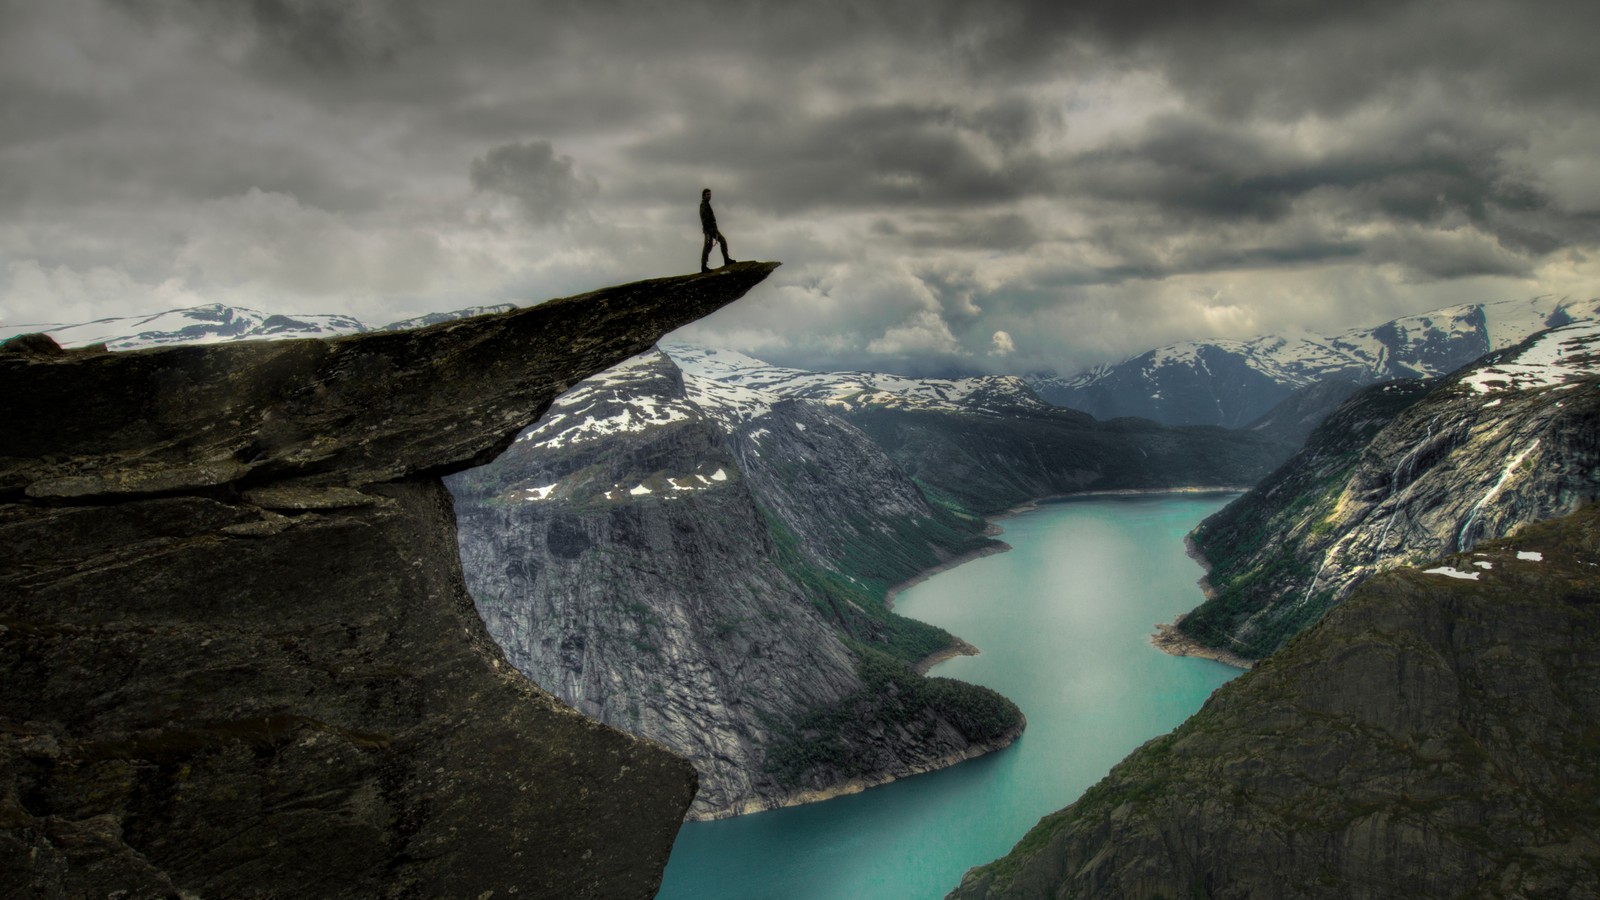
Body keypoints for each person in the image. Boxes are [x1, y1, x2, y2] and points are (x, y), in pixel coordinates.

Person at [700, 188, 735, 273]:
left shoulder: (707, 204)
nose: (709, 196)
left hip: (712, 229)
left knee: (720, 242)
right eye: (707, 194)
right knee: (708, 246)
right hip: (709, 229)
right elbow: (705, 219)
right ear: (704, 196)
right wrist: (709, 230)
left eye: (710, 194)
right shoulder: (704, 205)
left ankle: (726, 260)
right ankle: (704, 267)